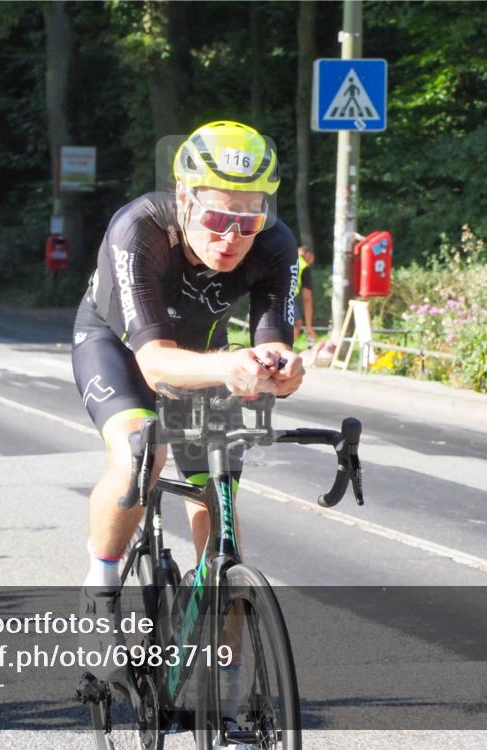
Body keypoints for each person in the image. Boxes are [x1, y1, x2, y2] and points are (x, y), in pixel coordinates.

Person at [71, 121, 304, 736]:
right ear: (184, 195)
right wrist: (229, 367)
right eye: (219, 218)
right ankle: (101, 591)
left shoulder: (276, 246)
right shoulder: (138, 229)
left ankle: (218, 678)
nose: (232, 238)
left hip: (204, 357)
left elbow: (271, 341)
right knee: (141, 456)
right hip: (119, 348)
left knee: (219, 501)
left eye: (248, 221)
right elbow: (153, 363)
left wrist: (281, 368)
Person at [293, 245, 316, 345]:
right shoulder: (303, 266)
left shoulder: (286, 257)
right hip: (283, 295)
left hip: (265, 294)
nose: (311, 262)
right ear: (308, 255)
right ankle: (283, 352)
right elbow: (307, 299)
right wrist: (309, 326)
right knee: (295, 324)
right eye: (311, 259)